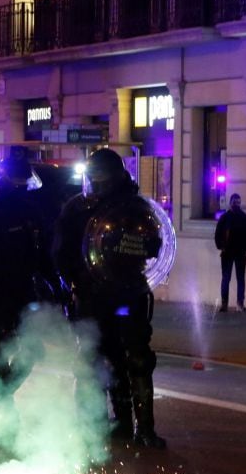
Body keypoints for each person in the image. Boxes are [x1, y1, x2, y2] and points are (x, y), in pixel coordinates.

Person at [54, 148, 166, 448]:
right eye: (94, 180)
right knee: (92, 361)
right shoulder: (78, 209)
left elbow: (154, 244)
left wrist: (126, 243)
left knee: (135, 359)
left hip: (126, 292)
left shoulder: (134, 208)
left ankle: (138, 428)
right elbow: (61, 255)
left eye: (102, 180)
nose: (98, 186)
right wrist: (76, 283)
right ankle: (95, 427)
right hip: (94, 296)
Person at [0, 153, 57, 403]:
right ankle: (4, 400)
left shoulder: (31, 212)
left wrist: (58, 286)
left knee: (33, 348)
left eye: (25, 184)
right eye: (20, 184)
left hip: (25, 289)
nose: (24, 189)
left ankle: (4, 394)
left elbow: (43, 253)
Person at [214, 193, 246, 313]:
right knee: (229, 278)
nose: (237, 204)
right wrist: (222, 246)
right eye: (235, 202)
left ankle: (235, 303)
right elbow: (218, 235)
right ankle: (231, 304)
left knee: (233, 278)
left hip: (235, 252)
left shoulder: (235, 218)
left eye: (238, 202)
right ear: (231, 202)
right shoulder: (228, 218)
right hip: (230, 252)